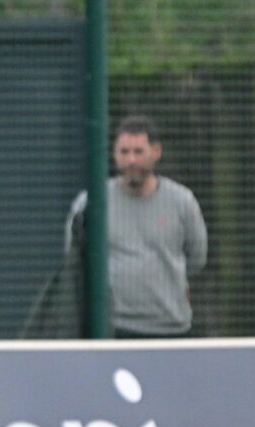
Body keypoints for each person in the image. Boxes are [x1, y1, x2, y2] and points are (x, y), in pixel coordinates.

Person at [65, 115, 208, 338]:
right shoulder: (90, 203)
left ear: (156, 152)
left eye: (138, 152)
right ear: (114, 154)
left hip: (171, 329)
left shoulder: (182, 202)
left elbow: (197, 258)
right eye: (124, 152)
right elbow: (73, 260)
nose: (131, 160)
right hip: (111, 331)